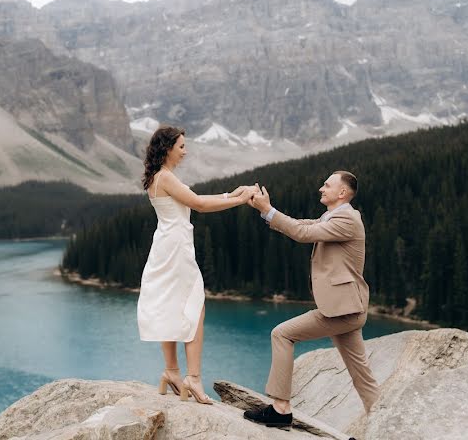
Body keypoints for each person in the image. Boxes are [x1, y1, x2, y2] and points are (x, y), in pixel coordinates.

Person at [243, 171, 379, 428]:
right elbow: (304, 225)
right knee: (362, 375)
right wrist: (265, 211)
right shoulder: (335, 216)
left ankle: (281, 409)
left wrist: (269, 209)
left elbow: (302, 234)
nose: (320, 188)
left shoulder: (347, 218)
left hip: (342, 311)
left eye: (327, 185)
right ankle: (383, 419)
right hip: (347, 307)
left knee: (282, 334)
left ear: (342, 193)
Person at [137, 125, 255, 404]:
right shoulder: (165, 177)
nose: (185, 152)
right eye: (181, 147)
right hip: (176, 248)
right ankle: (193, 377)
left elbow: (196, 201)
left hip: (165, 245)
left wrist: (230, 194)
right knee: (194, 306)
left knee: (170, 305)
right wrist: (239, 199)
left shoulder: (158, 176)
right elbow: (199, 204)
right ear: (167, 149)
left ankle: (171, 371)